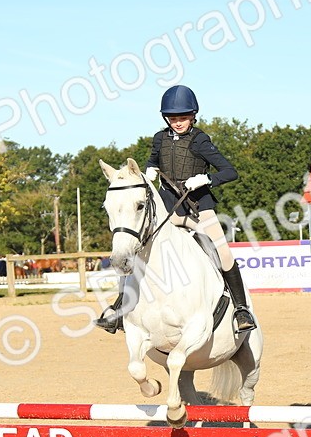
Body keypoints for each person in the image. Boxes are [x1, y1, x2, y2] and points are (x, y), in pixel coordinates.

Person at [96, 84, 256, 334]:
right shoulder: (160, 138)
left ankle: (241, 309)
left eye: (183, 117)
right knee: (135, 249)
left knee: (222, 251)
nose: (178, 122)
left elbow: (229, 171)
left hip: (198, 206)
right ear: (165, 118)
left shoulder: (201, 140)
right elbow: (152, 160)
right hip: (167, 207)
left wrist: (206, 179)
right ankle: (120, 307)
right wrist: (149, 170)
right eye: (173, 118)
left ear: (193, 115)